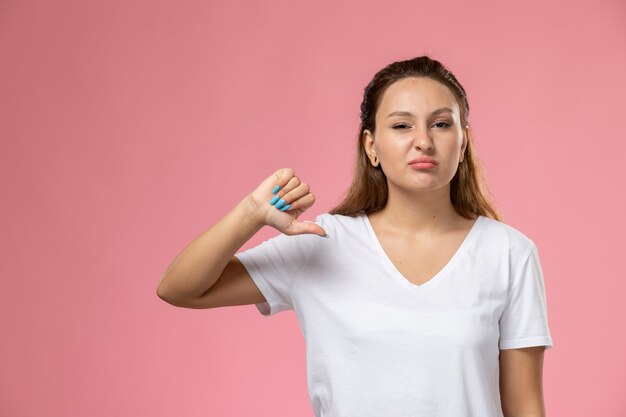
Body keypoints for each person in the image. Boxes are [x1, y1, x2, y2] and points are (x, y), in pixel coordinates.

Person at [157, 55, 554, 417]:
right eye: (401, 125)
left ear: (463, 141)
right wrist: (251, 213)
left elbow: (525, 407)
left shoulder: (508, 252)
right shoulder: (322, 243)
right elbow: (180, 288)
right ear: (372, 146)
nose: (424, 140)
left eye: (441, 123)